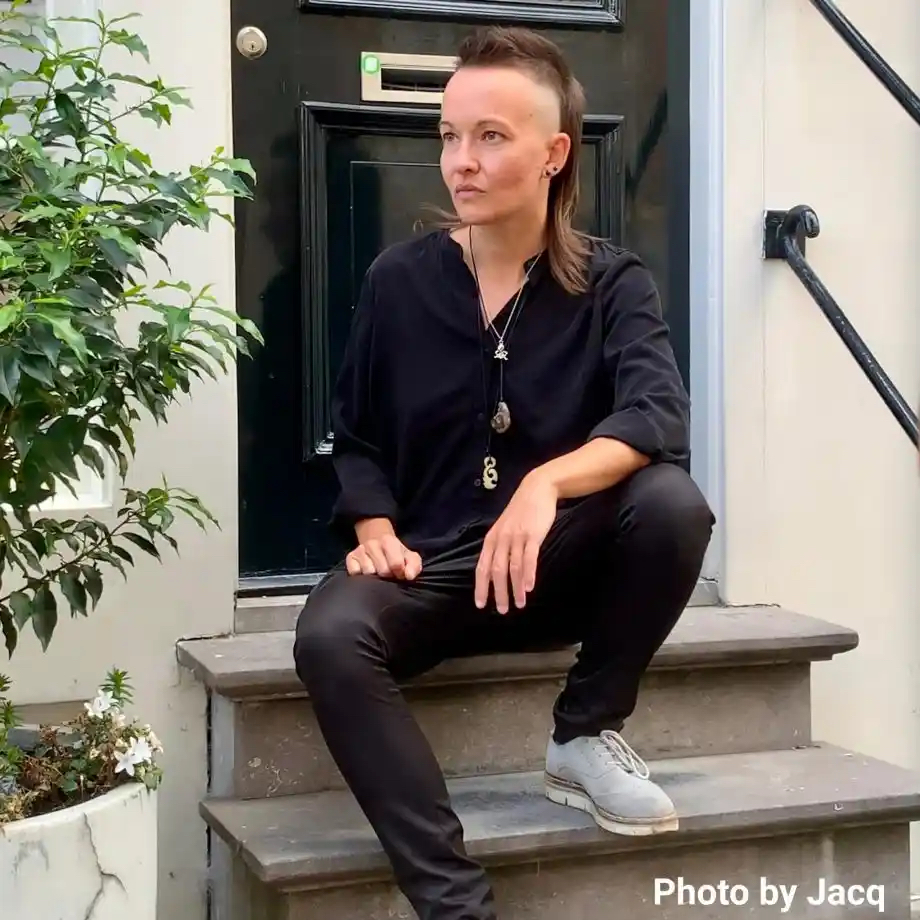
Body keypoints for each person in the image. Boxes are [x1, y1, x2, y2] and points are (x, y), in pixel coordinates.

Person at [293, 24, 714, 920]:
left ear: (554, 154)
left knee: (671, 504)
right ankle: (456, 905)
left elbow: (656, 418)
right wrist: (375, 532)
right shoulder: (399, 281)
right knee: (329, 635)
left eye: (490, 136)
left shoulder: (613, 284)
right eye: (450, 135)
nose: (461, 161)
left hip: (558, 572)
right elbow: (356, 436)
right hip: (435, 570)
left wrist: (544, 484)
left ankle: (583, 733)